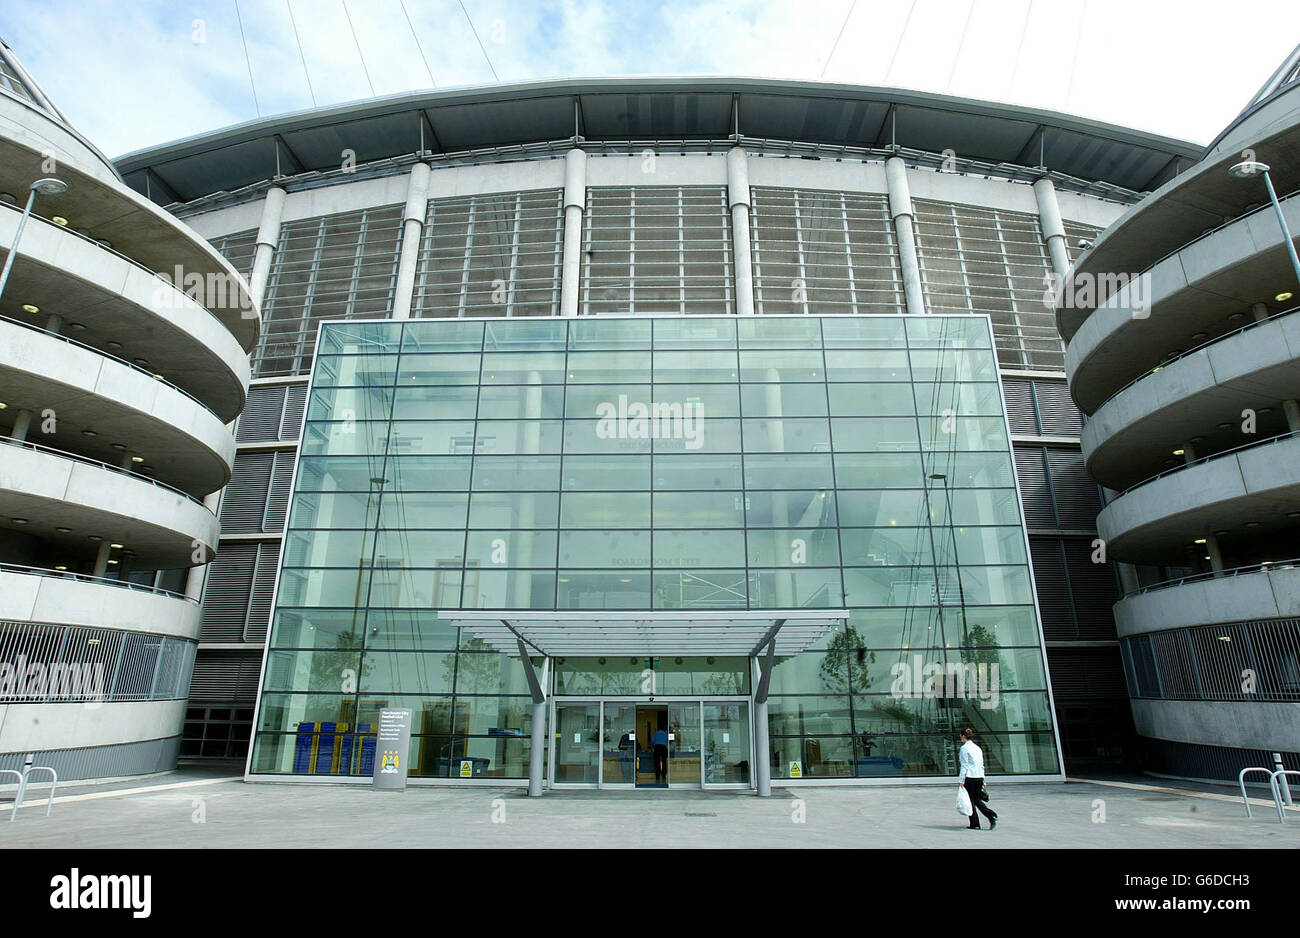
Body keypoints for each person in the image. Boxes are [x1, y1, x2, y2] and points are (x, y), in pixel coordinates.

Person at [957, 727, 998, 830]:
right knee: (976, 799)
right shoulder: (977, 748)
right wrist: (983, 779)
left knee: (970, 800)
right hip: (979, 776)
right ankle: (990, 815)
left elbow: (964, 765)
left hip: (970, 777)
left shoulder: (964, 748)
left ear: (963, 736)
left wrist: (961, 780)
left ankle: (975, 823)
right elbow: (981, 764)